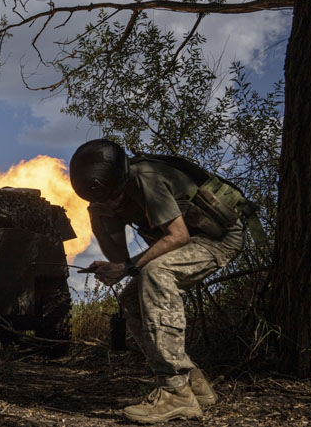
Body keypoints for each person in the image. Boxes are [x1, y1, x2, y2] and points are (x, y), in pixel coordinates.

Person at [69, 139, 246, 424]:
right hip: (189, 241)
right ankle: (194, 385)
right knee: (130, 296)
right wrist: (102, 223)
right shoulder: (103, 201)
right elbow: (119, 258)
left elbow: (178, 237)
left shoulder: (147, 178)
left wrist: (126, 267)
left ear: (122, 179)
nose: (110, 202)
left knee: (157, 273)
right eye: (101, 199)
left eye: (112, 196)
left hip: (218, 239)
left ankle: (175, 391)